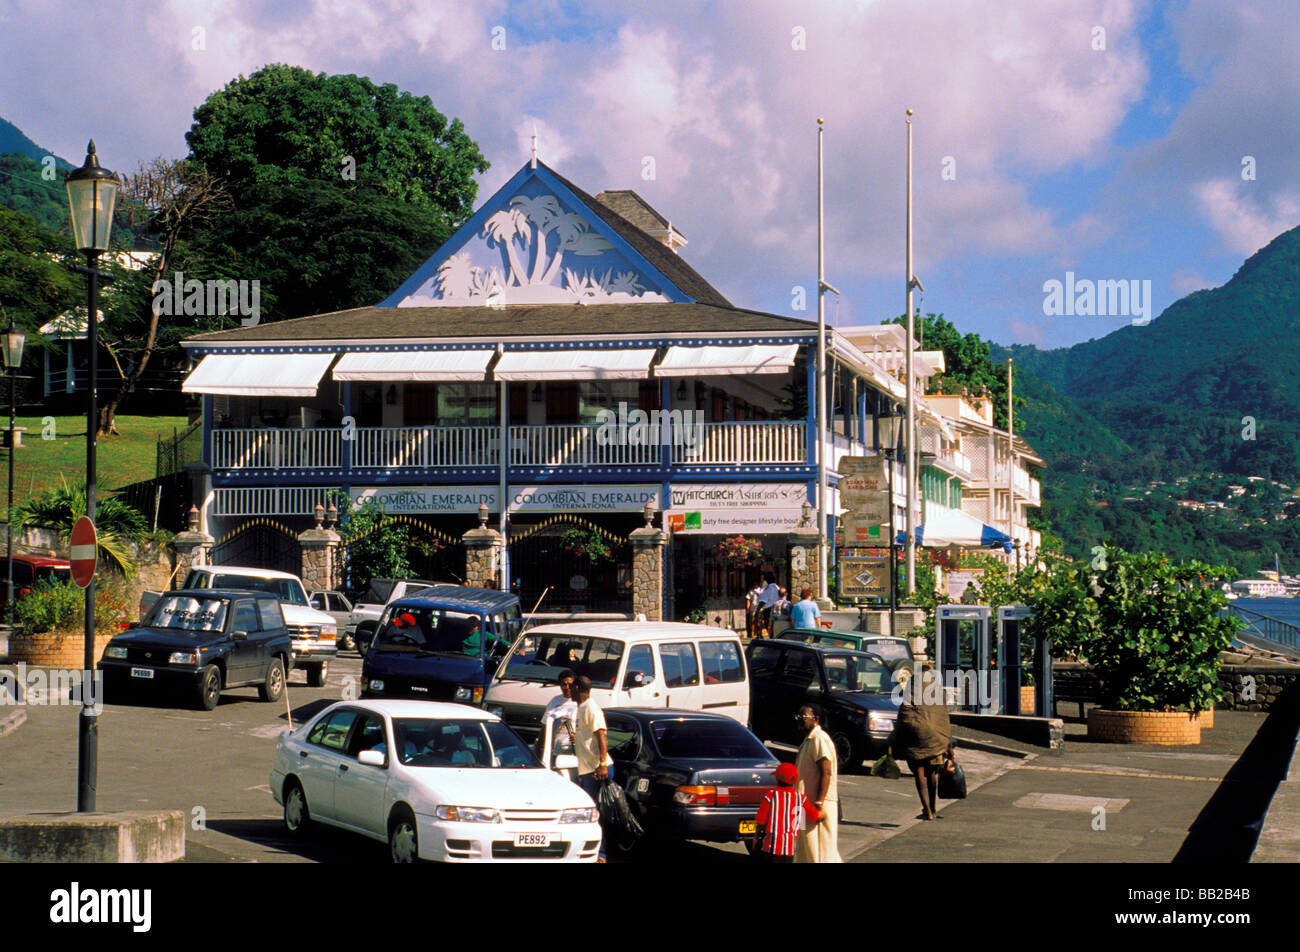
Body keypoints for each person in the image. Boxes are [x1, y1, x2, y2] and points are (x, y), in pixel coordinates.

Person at [893, 667, 953, 820]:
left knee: (919, 771)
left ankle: (926, 809)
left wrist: (897, 735)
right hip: (935, 738)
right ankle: (933, 807)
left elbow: (904, 714)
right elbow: (944, 718)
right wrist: (948, 744)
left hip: (916, 734)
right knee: (932, 772)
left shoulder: (912, 689)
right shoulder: (936, 691)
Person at [572, 675, 613, 862]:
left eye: (572, 687)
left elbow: (601, 736)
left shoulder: (591, 708)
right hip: (586, 769)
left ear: (578, 688)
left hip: (597, 769)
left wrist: (602, 764)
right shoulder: (580, 708)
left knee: (597, 814)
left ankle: (601, 854)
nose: (568, 691)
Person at [793, 705, 841, 863]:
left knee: (820, 851)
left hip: (817, 805)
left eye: (804, 717)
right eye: (798, 717)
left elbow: (826, 772)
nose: (800, 721)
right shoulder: (808, 740)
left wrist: (819, 802)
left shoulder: (820, 738)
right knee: (805, 848)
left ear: (816, 719)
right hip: (805, 805)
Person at [753, 762, 822, 863]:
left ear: (777, 779)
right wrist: (823, 811)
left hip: (770, 848)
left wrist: (755, 838)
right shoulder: (801, 798)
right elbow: (814, 816)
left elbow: (761, 821)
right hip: (789, 851)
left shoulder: (771, 796)